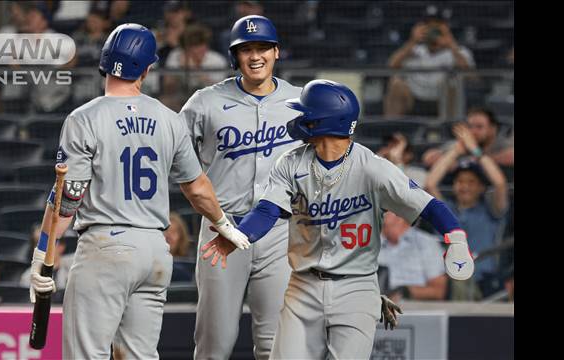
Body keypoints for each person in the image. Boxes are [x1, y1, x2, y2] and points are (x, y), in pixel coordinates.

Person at [201, 79, 474, 359]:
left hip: (356, 286)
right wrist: (238, 235)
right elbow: (268, 211)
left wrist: (456, 238)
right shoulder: (291, 162)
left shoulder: (373, 169)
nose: (299, 118)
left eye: (305, 113)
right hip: (303, 285)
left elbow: (430, 206)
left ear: (322, 122)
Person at [26, 23, 250, 359]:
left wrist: (42, 252)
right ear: (147, 68)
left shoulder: (83, 118)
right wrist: (225, 224)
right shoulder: (169, 119)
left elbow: (68, 198)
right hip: (154, 251)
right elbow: (198, 188)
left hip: (106, 247)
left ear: (104, 62)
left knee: (86, 354)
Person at [178, 15, 303, 360]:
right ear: (235, 57)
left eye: (262, 47)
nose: (255, 56)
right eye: (246, 49)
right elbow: (172, 155)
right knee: (214, 343)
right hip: (223, 227)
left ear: (277, 52)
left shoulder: (301, 101)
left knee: (275, 343)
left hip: (279, 230)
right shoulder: (205, 102)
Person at [425, 152, 508, 298]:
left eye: (471, 182)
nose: (465, 186)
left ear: (481, 187)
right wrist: (456, 148)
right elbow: (430, 184)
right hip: (449, 282)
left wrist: (475, 150)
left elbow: (500, 183)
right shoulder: (445, 210)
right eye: (460, 181)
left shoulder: (491, 210)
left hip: (485, 283)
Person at [384, 16, 475, 117]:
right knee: (396, 83)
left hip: (443, 99)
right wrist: (412, 41)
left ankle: (450, 128)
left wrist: (451, 44)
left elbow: (471, 77)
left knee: (452, 83)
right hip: (415, 97)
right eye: (430, 30)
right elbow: (390, 67)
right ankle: (392, 130)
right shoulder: (415, 50)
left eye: (437, 30)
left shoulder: (459, 52)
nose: (434, 35)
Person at [379, 211, 447, 301]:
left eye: (385, 209)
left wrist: (405, 292)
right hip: (374, 308)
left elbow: (438, 291)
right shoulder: (371, 244)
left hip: (413, 309)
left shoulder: (427, 243)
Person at [422, 107, 514, 168]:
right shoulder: (462, 144)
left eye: (479, 127)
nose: (473, 131)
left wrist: (474, 151)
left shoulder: (502, 144)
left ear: (492, 129)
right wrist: (455, 155)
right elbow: (428, 159)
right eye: (470, 126)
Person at [19, 224, 73, 291]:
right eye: (37, 244)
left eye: (48, 243)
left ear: (61, 247)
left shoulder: (73, 267)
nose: (42, 249)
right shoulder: (28, 277)